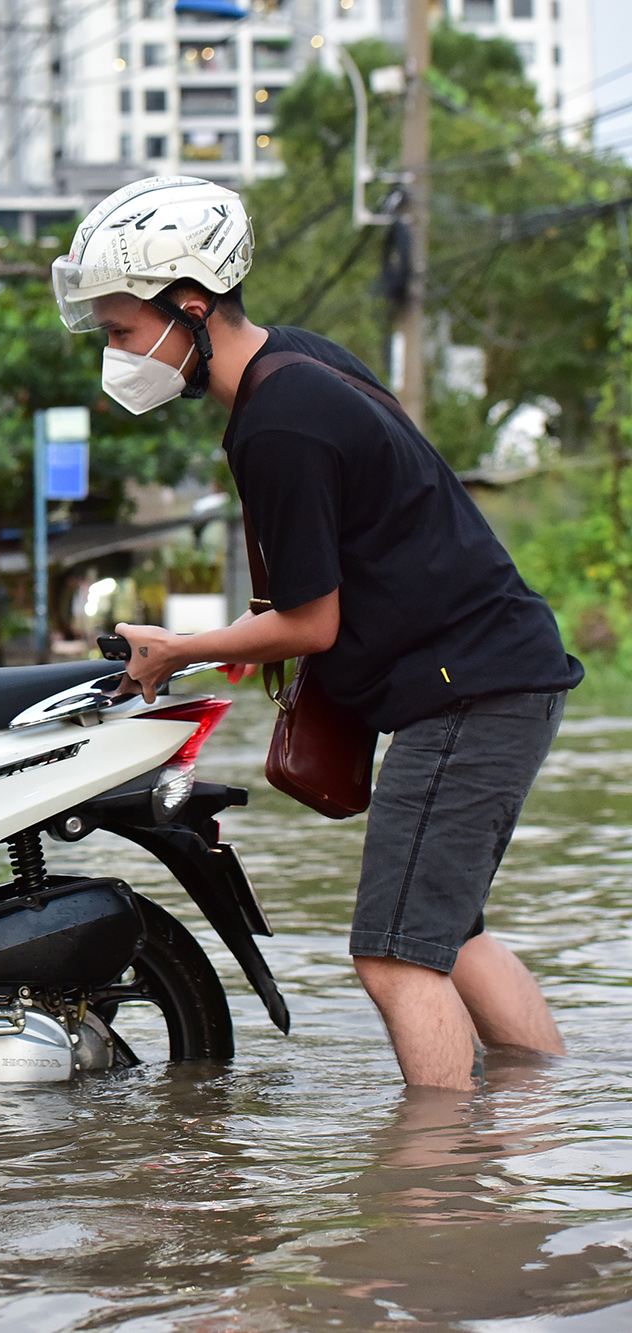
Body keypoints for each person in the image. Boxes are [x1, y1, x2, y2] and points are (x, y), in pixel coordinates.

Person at [53, 175, 584, 1092]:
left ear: (190, 306)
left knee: (393, 954)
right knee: (444, 934)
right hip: (496, 671)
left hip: (466, 691)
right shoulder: (299, 364)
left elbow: (312, 621)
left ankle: (440, 1193)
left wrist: (177, 651)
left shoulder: (280, 423)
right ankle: (531, 1134)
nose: (117, 353)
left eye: (122, 331)